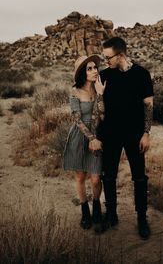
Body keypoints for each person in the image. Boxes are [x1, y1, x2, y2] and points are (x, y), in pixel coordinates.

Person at [99, 37, 154, 240]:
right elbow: (100, 111)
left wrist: (146, 133)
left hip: (135, 135)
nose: (106, 62)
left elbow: (148, 106)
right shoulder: (104, 76)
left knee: (139, 177)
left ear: (120, 55)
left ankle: (142, 218)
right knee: (109, 177)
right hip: (110, 135)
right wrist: (98, 95)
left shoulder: (142, 75)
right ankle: (111, 214)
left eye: (108, 58)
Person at [63, 55, 106, 231]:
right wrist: (91, 139)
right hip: (80, 137)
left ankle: (96, 206)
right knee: (81, 176)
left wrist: (101, 95)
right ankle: (84, 211)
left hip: (96, 136)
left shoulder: (99, 89)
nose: (94, 70)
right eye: (89, 68)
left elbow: (101, 115)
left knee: (96, 178)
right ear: (82, 73)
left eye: (95, 67)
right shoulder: (75, 92)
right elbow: (77, 119)